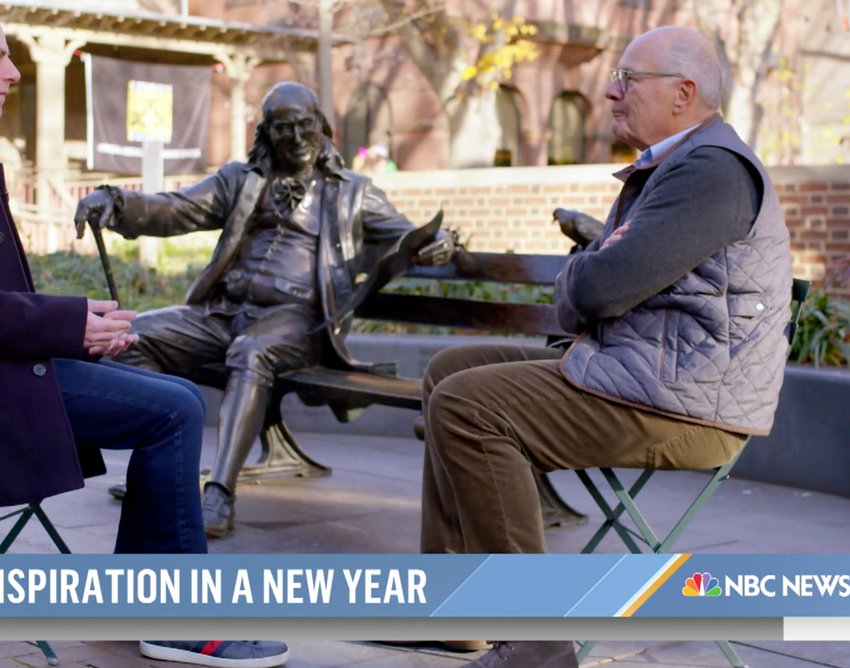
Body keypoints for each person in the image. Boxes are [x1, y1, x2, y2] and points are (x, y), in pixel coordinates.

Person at [0, 6, 287, 666]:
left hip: (0, 368)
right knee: (176, 409)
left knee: (166, 395)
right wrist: (62, 325)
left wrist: (76, 330)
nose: (14, 72)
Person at [419, 26, 792, 668]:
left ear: (684, 92)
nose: (610, 92)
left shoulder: (712, 172)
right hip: (644, 372)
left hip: (686, 404)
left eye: (627, 79)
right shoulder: (672, 166)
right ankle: (458, 610)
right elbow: (598, 281)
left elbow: (596, 289)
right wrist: (590, 272)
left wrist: (587, 272)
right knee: (452, 370)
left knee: (469, 407)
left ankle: (535, 643)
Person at [74, 82, 453, 539]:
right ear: (267, 134)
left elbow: (411, 236)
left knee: (252, 353)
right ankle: (162, 474)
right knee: (139, 335)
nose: (296, 139)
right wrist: (115, 201)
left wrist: (440, 245)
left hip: (297, 322)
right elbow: (175, 209)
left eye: (305, 127)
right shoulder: (242, 180)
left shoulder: (354, 193)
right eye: (283, 129)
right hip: (224, 311)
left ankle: (219, 494)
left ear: (323, 127)